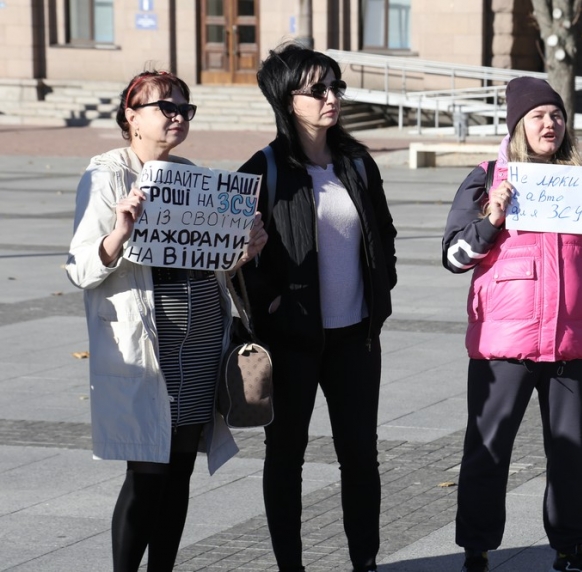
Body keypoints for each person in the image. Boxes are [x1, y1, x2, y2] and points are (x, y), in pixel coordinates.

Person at [65, 70, 268, 571]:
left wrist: (242, 251)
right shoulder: (106, 175)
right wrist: (120, 231)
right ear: (131, 116)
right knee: (147, 472)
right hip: (147, 351)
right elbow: (82, 267)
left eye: (185, 108)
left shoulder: (192, 174)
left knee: (180, 472)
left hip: (199, 343)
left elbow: (207, 262)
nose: (178, 115)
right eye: (166, 107)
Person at [442, 77, 582, 572]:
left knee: (570, 458)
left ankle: (571, 548)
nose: (550, 124)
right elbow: (454, 256)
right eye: (538, 116)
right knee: (488, 452)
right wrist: (491, 220)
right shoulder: (486, 179)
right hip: (503, 345)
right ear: (517, 126)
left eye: (556, 115)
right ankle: (477, 550)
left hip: (572, 345)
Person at [236, 43, 397, 572]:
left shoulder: (357, 164)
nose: (332, 98)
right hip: (292, 343)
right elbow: (234, 258)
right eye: (318, 90)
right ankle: (291, 567)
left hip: (355, 337)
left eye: (336, 87)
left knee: (360, 457)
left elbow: (384, 235)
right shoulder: (261, 170)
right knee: (286, 459)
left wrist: (380, 292)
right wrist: (271, 301)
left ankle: (365, 562)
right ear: (287, 100)